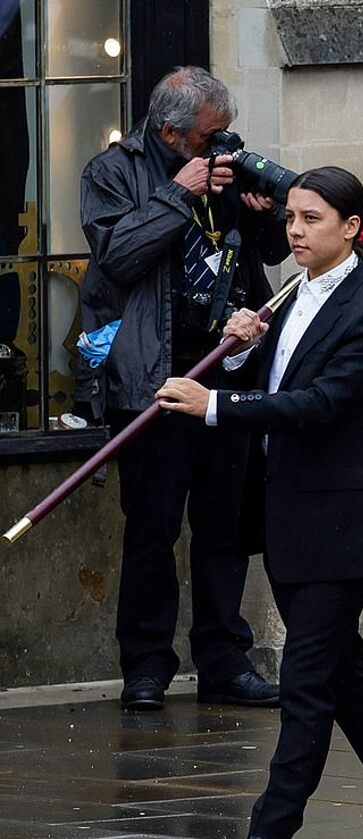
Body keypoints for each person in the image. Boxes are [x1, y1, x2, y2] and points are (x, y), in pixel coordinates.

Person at [156, 166, 363, 839]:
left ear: (351, 228)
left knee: (305, 683)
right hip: (286, 516)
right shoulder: (291, 293)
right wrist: (243, 348)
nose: (294, 230)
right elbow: (278, 379)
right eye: (290, 217)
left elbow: (320, 405)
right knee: (341, 676)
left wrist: (214, 404)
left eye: (311, 219)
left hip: (337, 527)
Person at [78, 66, 289, 711]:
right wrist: (178, 191)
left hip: (228, 375)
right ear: (170, 133)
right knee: (152, 528)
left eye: (225, 133)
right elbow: (118, 257)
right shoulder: (112, 172)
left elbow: (267, 257)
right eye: (207, 136)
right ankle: (146, 667)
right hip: (156, 381)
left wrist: (262, 216)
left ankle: (224, 661)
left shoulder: (224, 167)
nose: (220, 146)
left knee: (225, 529)